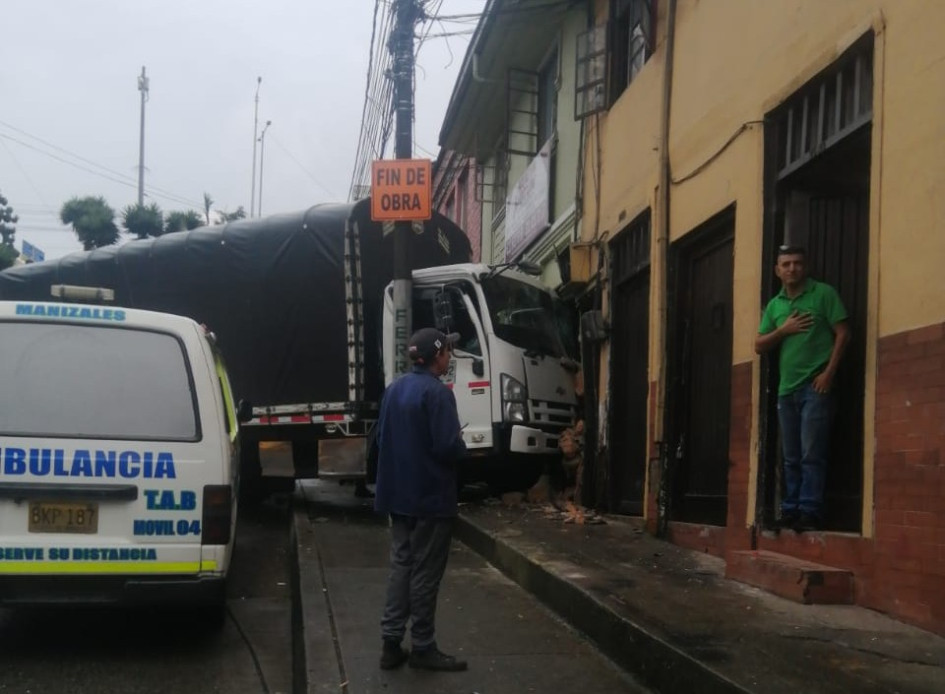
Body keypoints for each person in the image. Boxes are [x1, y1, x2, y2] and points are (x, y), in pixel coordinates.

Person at [374, 327, 468, 672]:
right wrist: (462, 447)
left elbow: (380, 440)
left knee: (401, 566)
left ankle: (390, 643)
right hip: (430, 498)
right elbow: (447, 446)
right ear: (437, 356)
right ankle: (423, 647)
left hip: (398, 497)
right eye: (447, 352)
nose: (449, 357)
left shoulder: (393, 390)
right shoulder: (438, 394)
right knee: (425, 574)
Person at [755, 246, 850, 532]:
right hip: (786, 390)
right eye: (786, 264)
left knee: (811, 453)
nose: (792, 268)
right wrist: (783, 330)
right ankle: (790, 510)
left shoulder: (823, 294)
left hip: (814, 387)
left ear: (805, 267)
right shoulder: (775, 305)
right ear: (778, 270)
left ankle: (810, 511)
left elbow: (843, 333)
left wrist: (828, 373)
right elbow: (759, 345)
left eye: (797, 263)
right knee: (791, 456)